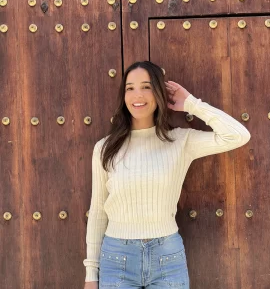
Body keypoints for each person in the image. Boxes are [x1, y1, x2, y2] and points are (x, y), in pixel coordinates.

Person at [83, 61, 251, 289]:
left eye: (146, 86)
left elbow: (238, 135)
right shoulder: (105, 148)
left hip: (167, 258)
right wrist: (91, 274)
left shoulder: (180, 142)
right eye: (130, 88)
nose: (137, 95)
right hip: (117, 258)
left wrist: (192, 104)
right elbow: (97, 213)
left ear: (159, 93)